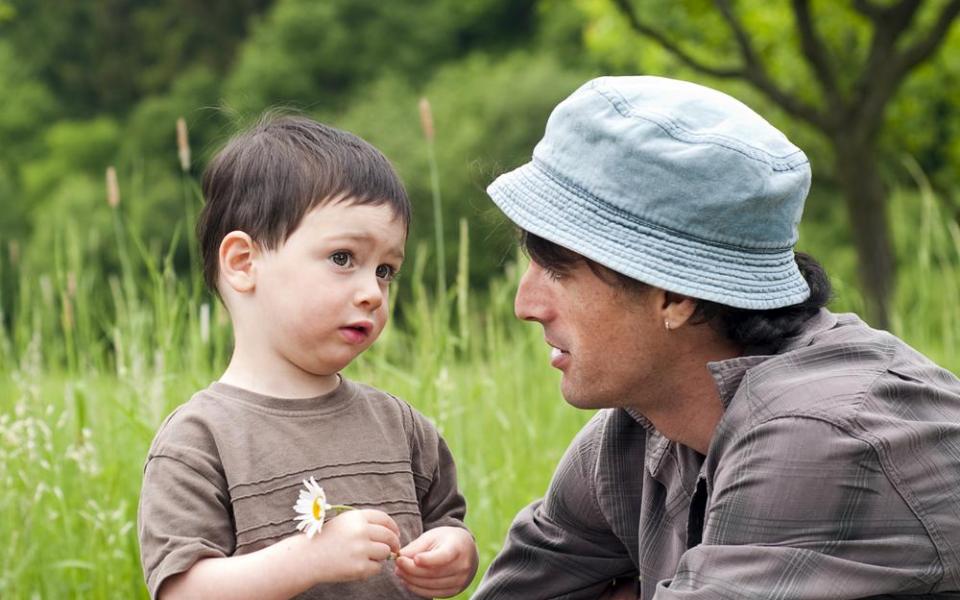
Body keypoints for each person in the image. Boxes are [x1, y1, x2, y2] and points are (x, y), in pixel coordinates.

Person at [473, 76, 960, 599]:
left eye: (558, 270)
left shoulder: (821, 436)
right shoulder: (638, 429)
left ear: (675, 296)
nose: (526, 305)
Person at [137, 116, 478, 600]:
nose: (372, 293)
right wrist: (309, 558)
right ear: (243, 262)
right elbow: (184, 591)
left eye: (385, 270)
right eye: (343, 258)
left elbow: (445, 521)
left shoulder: (401, 427)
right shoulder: (198, 442)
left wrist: (455, 552)